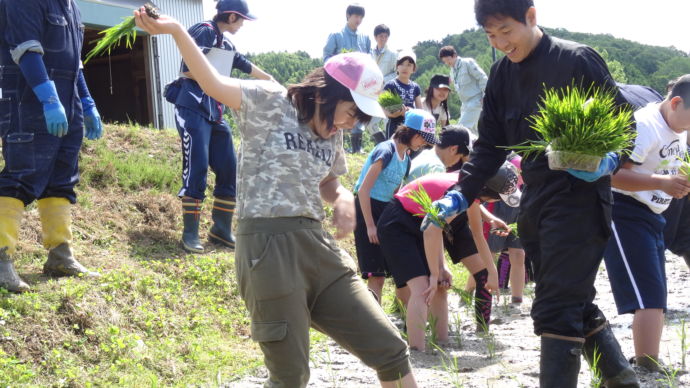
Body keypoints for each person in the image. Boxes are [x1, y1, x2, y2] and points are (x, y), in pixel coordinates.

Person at [134, 10, 418, 388]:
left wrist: (344, 200)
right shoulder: (271, 100)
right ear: (327, 93)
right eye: (351, 112)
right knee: (290, 377)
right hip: (267, 250)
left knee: (390, 350)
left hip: (318, 248)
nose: (351, 124)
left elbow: (328, 183)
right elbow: (213, 81)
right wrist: (174, 30)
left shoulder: (331, 133)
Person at [424, 1, 639, 386]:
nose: (501, 42)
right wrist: (459, 194)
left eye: (506, 30)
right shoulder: (502, 75)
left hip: (580, 197)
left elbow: (625, 123)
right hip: (535, 197)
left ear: (531, 17)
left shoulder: (577, 60)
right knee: (570, 297)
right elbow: (489, 145)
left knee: (556, 305)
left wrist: (608, 160)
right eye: (491, 35)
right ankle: (622, 378)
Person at [0, 0, 103, 292]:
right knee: (21, 176)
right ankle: (1, 259)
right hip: (27, 99)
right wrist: (48, 97)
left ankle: (60, 256)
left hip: (67, 101)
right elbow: (25, 50)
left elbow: (75, 63)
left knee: (61, 179)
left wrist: (87, 102)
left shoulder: (71, 7)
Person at [166, 0, 273, 254]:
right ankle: (190, 233)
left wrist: (270, 81)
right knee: (197, 166)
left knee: (229, 168)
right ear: (232, 16)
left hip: (215, 112)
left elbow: (243, 63)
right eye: (243, 20)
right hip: (192, 107)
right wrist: (216, 77)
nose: (243, 25)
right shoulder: (203, 30)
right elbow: (188, 68)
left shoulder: (226, 43)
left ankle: (221, 229)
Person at [378, 161, 518, 350]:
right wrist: (435, 272)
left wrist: (444, 268)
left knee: (440, 287)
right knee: (423, 288)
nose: (497, 202)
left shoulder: (471, 189)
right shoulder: (461, 194)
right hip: (398, 223)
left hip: (422, 223)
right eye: (498, 198)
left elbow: (476, 234)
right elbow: (432, 229)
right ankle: (417, 350)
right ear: (487, 193)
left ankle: (442, 342)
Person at [604, 75, 690, 372]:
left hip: (654, 214)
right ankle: (647, 366)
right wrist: (663, 183)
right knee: (648, 295)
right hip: (625, 211)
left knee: (656, 293)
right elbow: (613, 176)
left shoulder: (678, 126)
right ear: (676, 102)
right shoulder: (645, 125)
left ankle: (647, 361)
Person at [353, 109, 435, 303]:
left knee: (398, 273)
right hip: (367, 209)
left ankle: (406, 315)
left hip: (385, 211)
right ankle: (374, 323)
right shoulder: (386, 150)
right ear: (412, 133)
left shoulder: (405, 160)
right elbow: (363, 190)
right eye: (422, 138)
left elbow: (396, 195)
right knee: (376, 274)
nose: (423, 143)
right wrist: (371, 225)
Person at [323, 3, 371, 154]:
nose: (359, 20)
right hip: (338, 82)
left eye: (361, 17)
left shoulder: (365, 38)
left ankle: (357, 147)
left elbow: (367, 60)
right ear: (348, 16)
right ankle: (338, 146)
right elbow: (326, 58)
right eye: (356, 16)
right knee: (338, 112)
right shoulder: (336, 35)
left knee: (356, 111)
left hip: (357, 82)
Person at [438, 45, 487, 135]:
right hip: (465, 104)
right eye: (444, 61)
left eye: (447, 59)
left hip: (476, 101)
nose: (447, 62)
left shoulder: (467, 62)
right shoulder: (452, 71)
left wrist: (485, 96)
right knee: (473, 132)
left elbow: (482, 78)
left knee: (461, 129)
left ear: (454, 55)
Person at [366, 24, 397, 145]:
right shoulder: (370, 54)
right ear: (375, 37)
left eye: (385, 36)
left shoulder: (393, 54)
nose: (383, 38)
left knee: (389, 123)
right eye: (380, 36)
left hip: (388, 92)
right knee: (370, 123)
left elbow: (397, 73)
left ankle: (392, 149)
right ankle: (384, 145)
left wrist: (383, 80)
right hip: (373, 92)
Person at [383, 50, 422, 139]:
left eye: (409, 65)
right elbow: (385, 110)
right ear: (397, 67)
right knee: (393, 151)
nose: (405, 68)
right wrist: (398, 112)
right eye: (402, 64)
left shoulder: (416, 87)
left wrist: (409, 111)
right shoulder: (390, 85)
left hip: (411, 127)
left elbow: (420, 111)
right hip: (394, 127)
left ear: (414, 69)